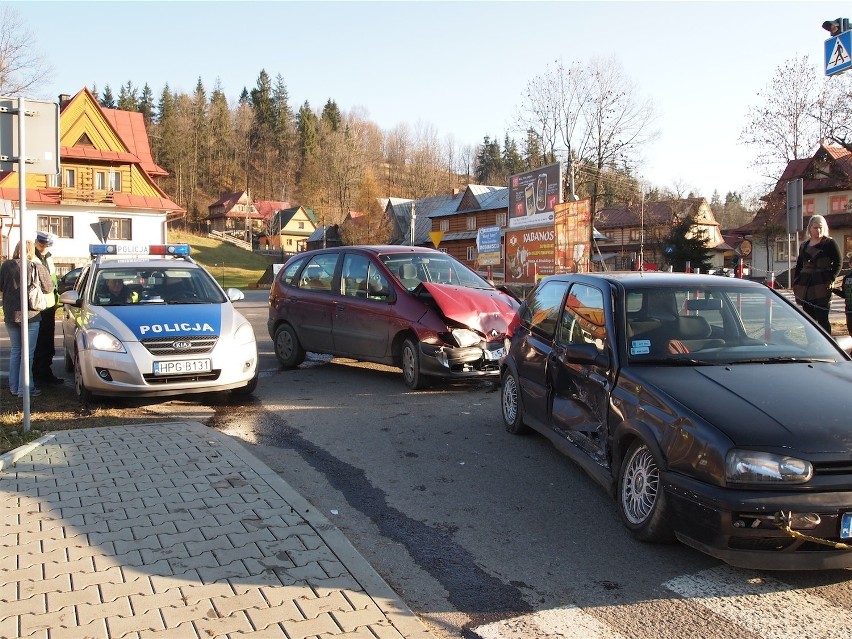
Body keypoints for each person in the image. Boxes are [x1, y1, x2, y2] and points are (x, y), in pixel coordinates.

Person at [0, 240, 54, 397]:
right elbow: (49, 287)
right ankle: (25, 389)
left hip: (11, 315)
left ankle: (14, 387)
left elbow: (1, 286)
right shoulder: (35, 265)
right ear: (32, 250)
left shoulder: (6, 265)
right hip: (31, 314)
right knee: (27, 354)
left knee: (15, 351)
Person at [793, 215, 842, 333]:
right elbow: (799, 265)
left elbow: (838, 262)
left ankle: (827, 347)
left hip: (822, 284)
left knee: (822, 318)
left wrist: (831, 279)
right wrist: (796, 282)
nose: (818, 230)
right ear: (810, 229)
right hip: (806, 286)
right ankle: (812, 345)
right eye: (815, 227)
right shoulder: (804, 245)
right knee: (808, 320)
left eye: (820, 227)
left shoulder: (829, 243)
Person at [33, 231, 63, 385]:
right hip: (37, 306)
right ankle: (39, 375)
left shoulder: (48, 256)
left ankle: (45, 373)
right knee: (39, 343)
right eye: (43, 245)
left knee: (47, 343)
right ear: (38, 243)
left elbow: (53, 280)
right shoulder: (32, 257)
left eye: (47, 245)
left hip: (49, 305)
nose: (45, 248)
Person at [832, 264, 852, 335]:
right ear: (850, 264)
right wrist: (833, 289)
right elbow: (844, 294)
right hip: (849, 311)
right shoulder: (847, 278)